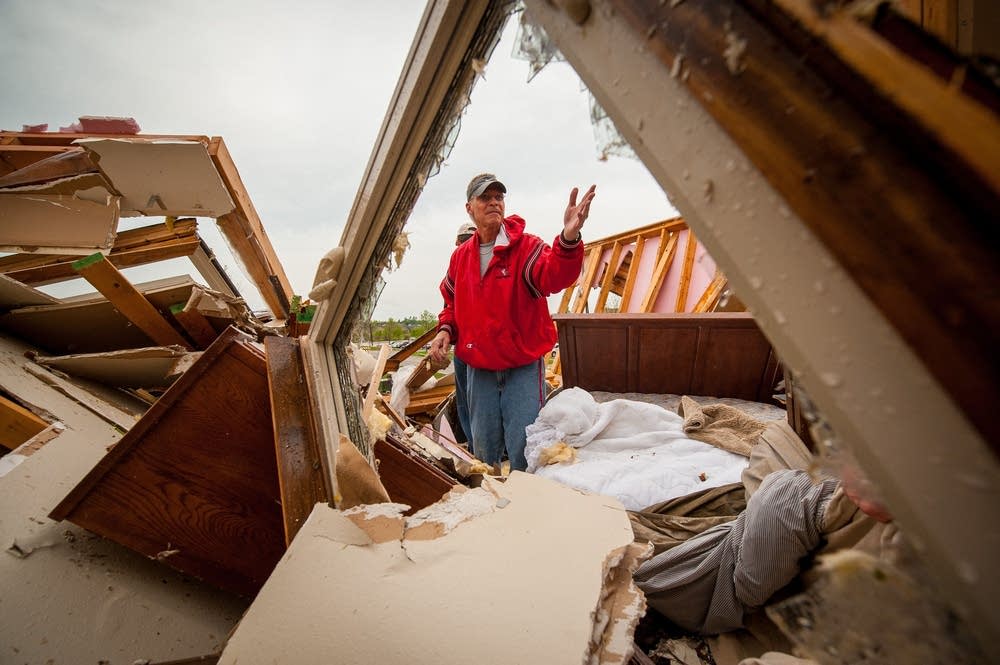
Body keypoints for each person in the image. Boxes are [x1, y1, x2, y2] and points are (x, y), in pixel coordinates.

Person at [429, 173, 596, 471]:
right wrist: (445, 329)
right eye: (485, 197)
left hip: (521, 368)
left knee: (523, 448)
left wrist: (569, 237)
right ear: (470, 208)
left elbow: (555, 275)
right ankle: (490, 496)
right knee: (482, 450)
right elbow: (451, 303)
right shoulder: (460, 258)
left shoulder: (526, 248)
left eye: (499, 197)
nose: (494, 202)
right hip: (480, 371)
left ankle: (524, 497)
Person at [450, 220, 477, 443]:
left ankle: (478, 446)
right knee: (468, 399)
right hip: (466, 346)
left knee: (473, 400)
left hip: (476, 348)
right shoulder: (456, 268)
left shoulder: (479, 267)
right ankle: (476, 446)